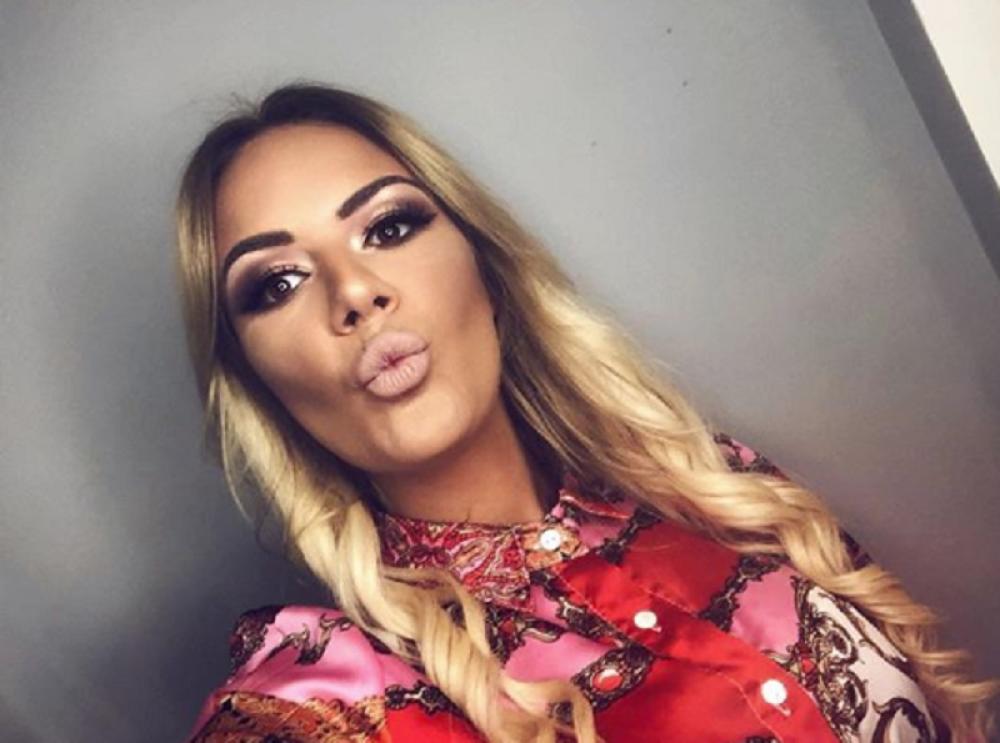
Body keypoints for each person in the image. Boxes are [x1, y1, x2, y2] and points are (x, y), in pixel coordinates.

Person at [173, 82, 997, 742]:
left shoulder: (715, 484)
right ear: (260, 385)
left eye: (389, 227)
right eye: (277, 283)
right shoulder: (329, 691)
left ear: (486, 274)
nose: (355, 292)